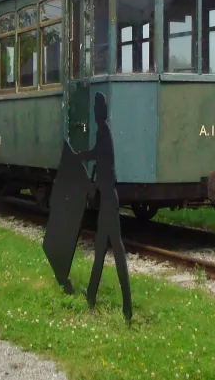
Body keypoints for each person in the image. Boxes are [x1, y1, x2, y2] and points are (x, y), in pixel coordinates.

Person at [78, 92, 133, 323]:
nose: (95, 112)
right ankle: (93, 297)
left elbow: (104, 168)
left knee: (113, 249)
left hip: (109, 198)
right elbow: (98, 159)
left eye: (96, 108)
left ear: (100, 112)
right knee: (102, 248)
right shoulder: (104, 132)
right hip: (109, 197)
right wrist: (83, 155)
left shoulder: (103, 132)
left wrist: (93, 187)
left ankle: (125, 305)